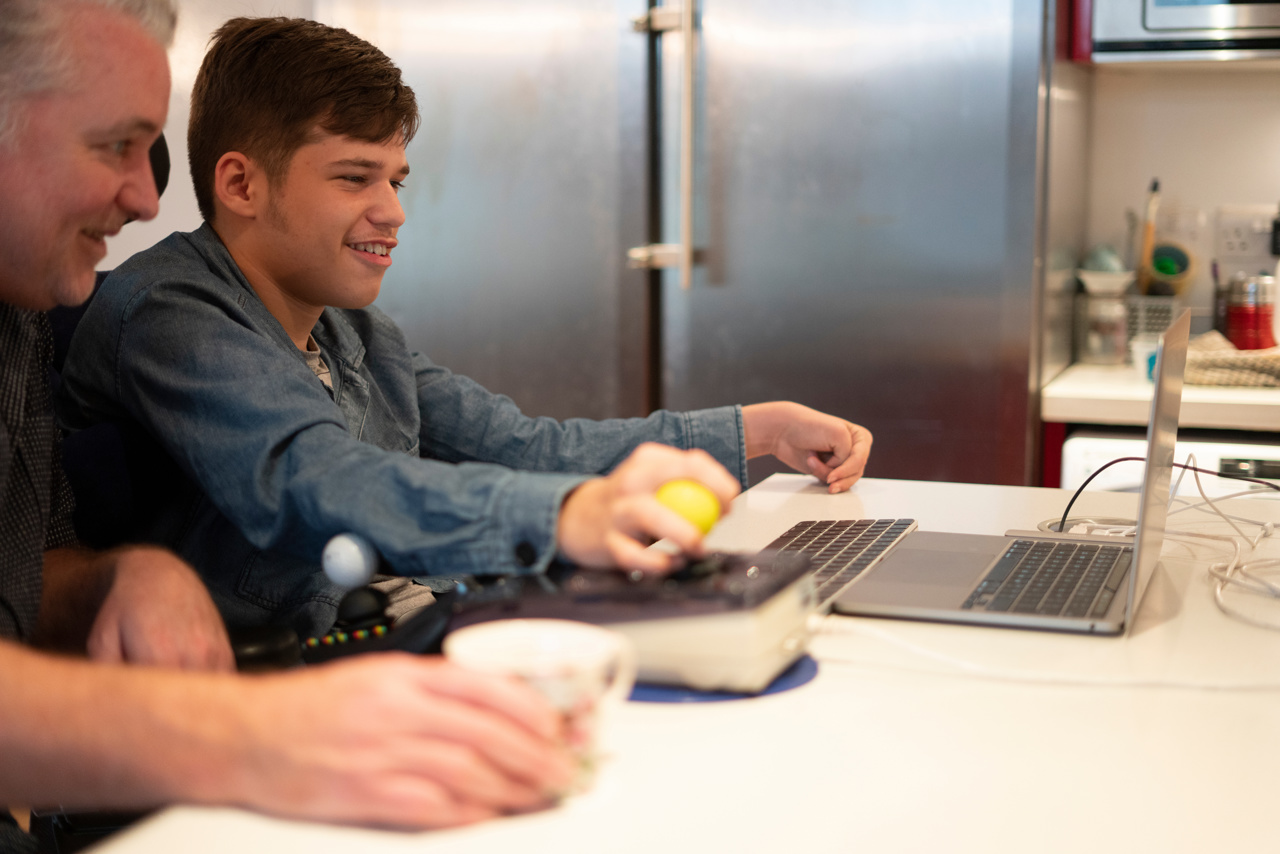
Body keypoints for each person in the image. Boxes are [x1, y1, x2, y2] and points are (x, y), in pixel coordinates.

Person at [57, 15, 875, 639]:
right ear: (240, 184)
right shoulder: (169, 313)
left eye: (397, 178)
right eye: (355, 178)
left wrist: (754, 430)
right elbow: (316, 479)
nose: (393, 212)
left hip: (383, 654)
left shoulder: (355, 332)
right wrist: (562, 518)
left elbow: (522, 446)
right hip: (245, 702)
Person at [0, 1, 579, 843]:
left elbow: (29, 579)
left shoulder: (16, 317)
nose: (143, 194)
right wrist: (250, 735)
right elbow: (311, 477)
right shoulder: (168, 308)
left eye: (150, 150)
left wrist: (116, 576)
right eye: (112, 145)